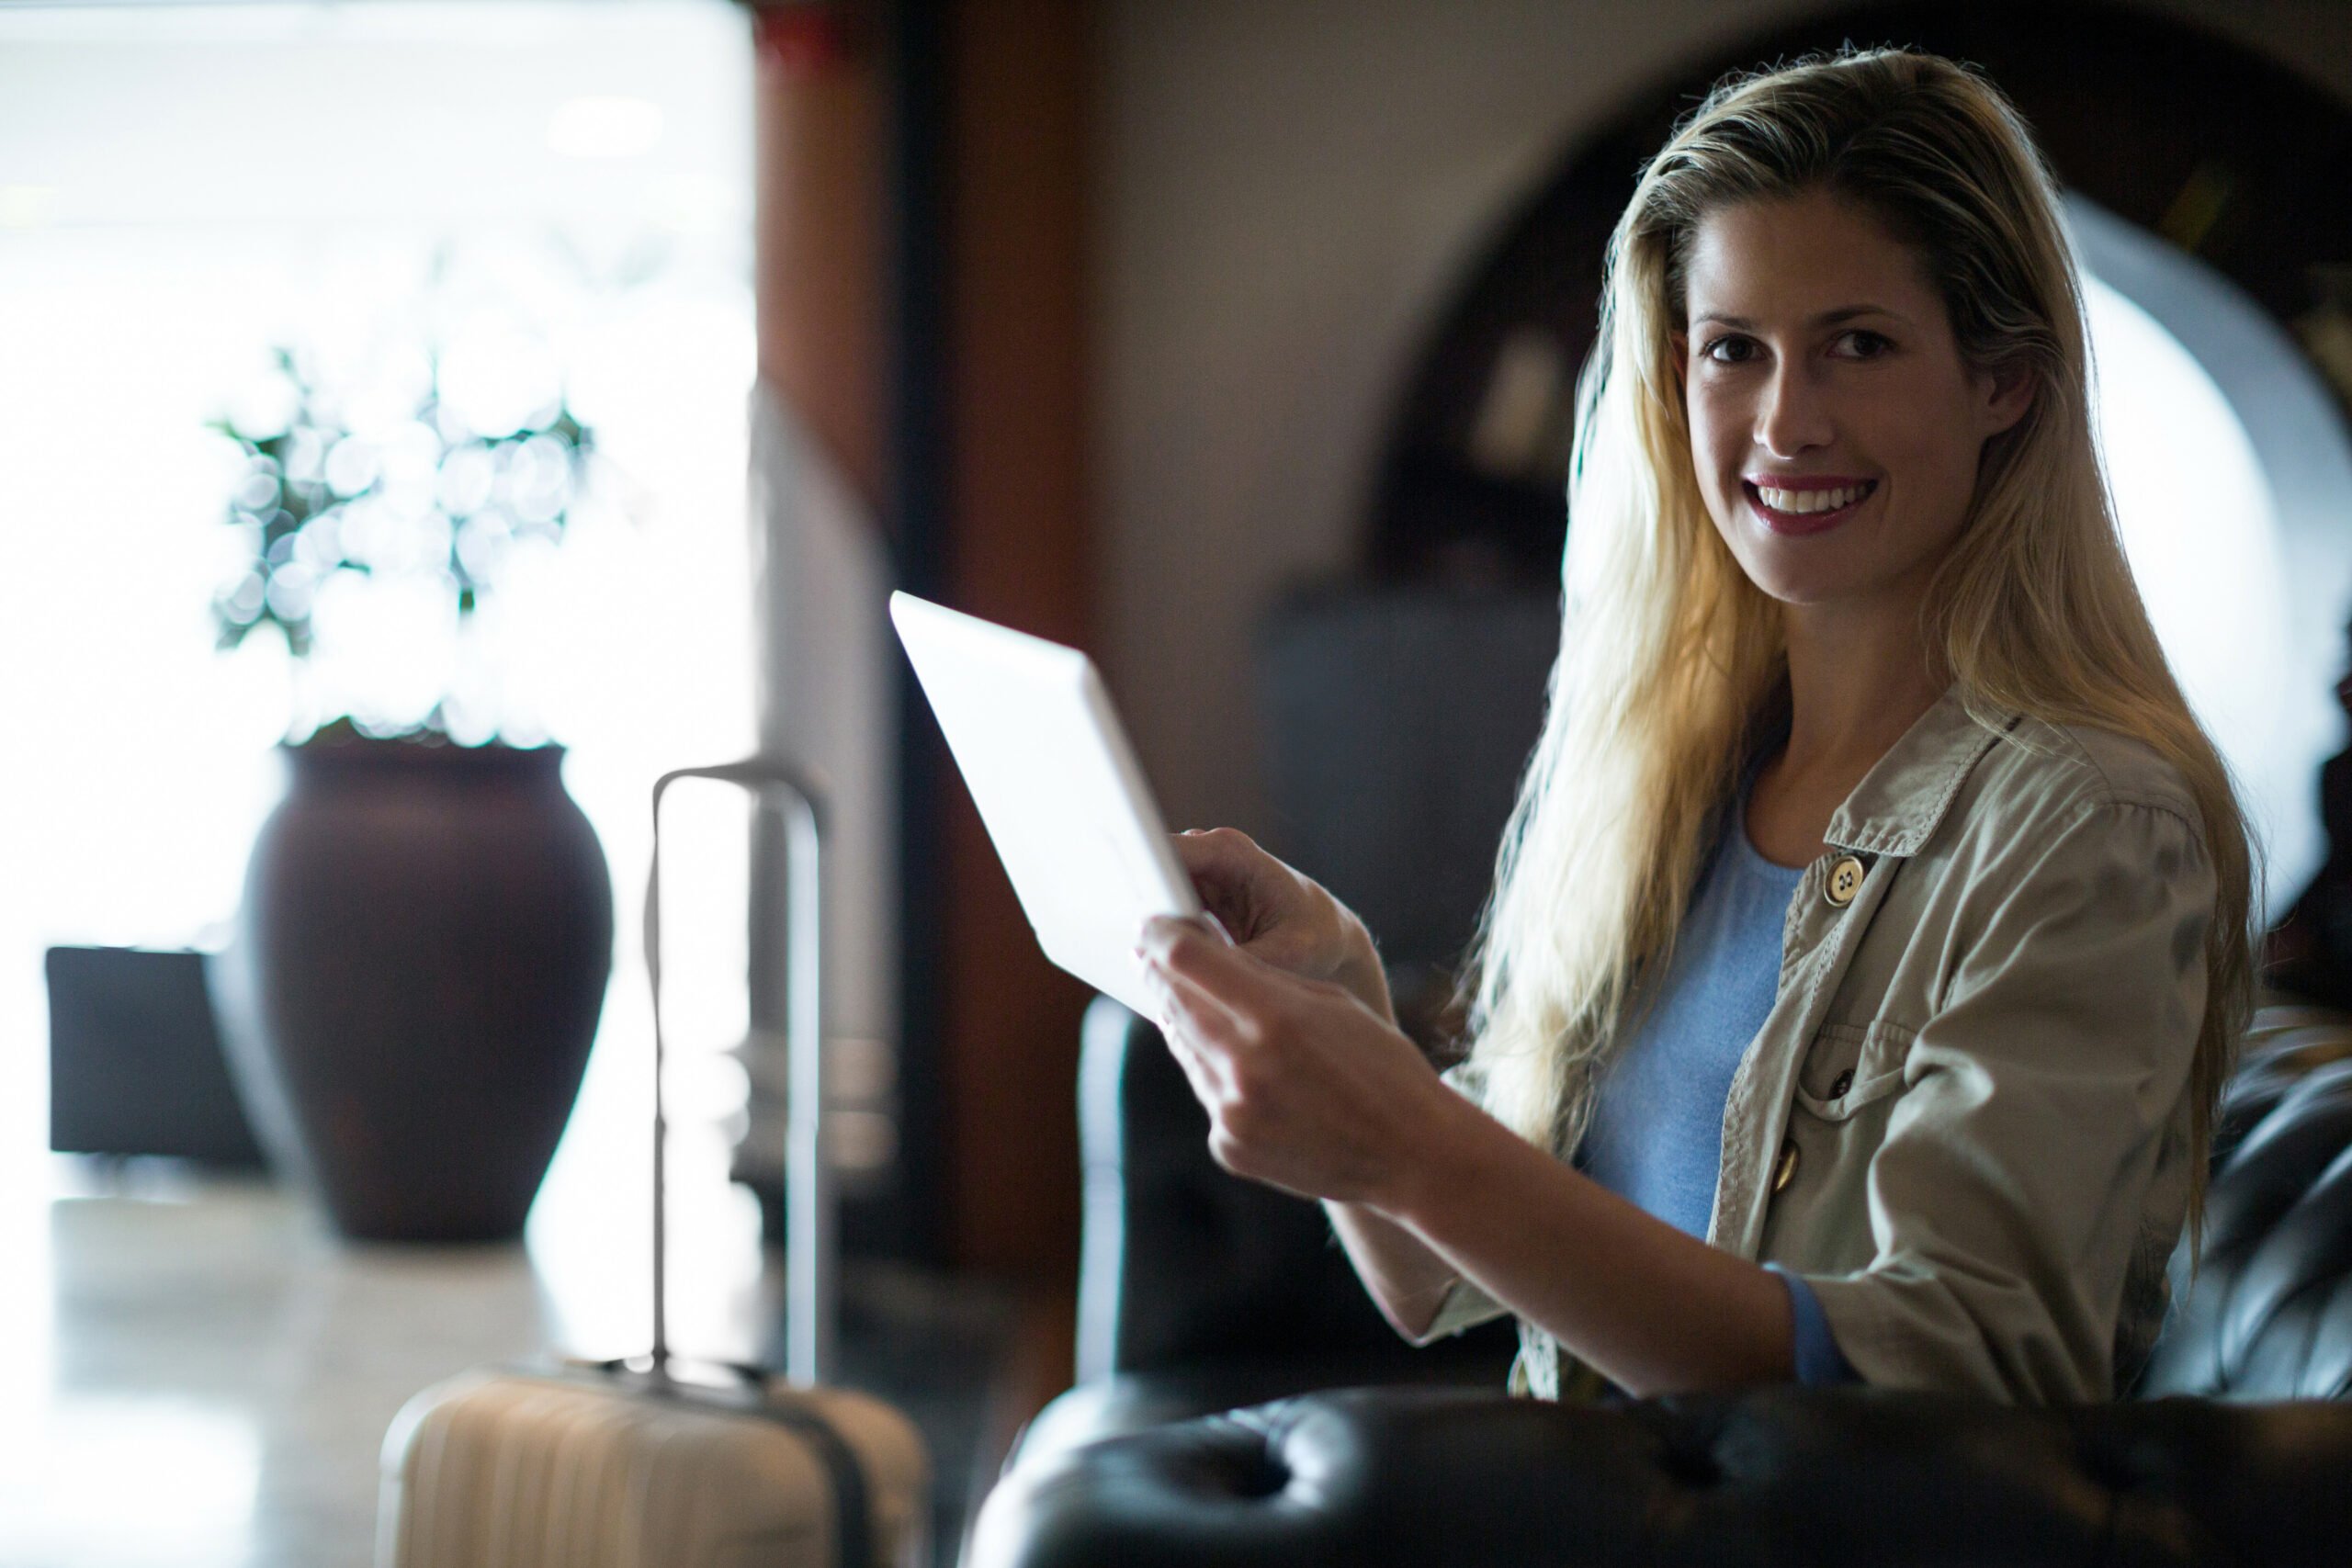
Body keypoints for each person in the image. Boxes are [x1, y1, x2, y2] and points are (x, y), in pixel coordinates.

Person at [1131, 45, 2262, 1405]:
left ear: (2003, 384)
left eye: (1859, 344)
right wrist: (1341, 1011)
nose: (1786, 422)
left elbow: (1947, 1376)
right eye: (1734, 350)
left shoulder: (2088, 824)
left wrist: (1417, 1149)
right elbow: (1440, 1287)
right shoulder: (1684, 780)